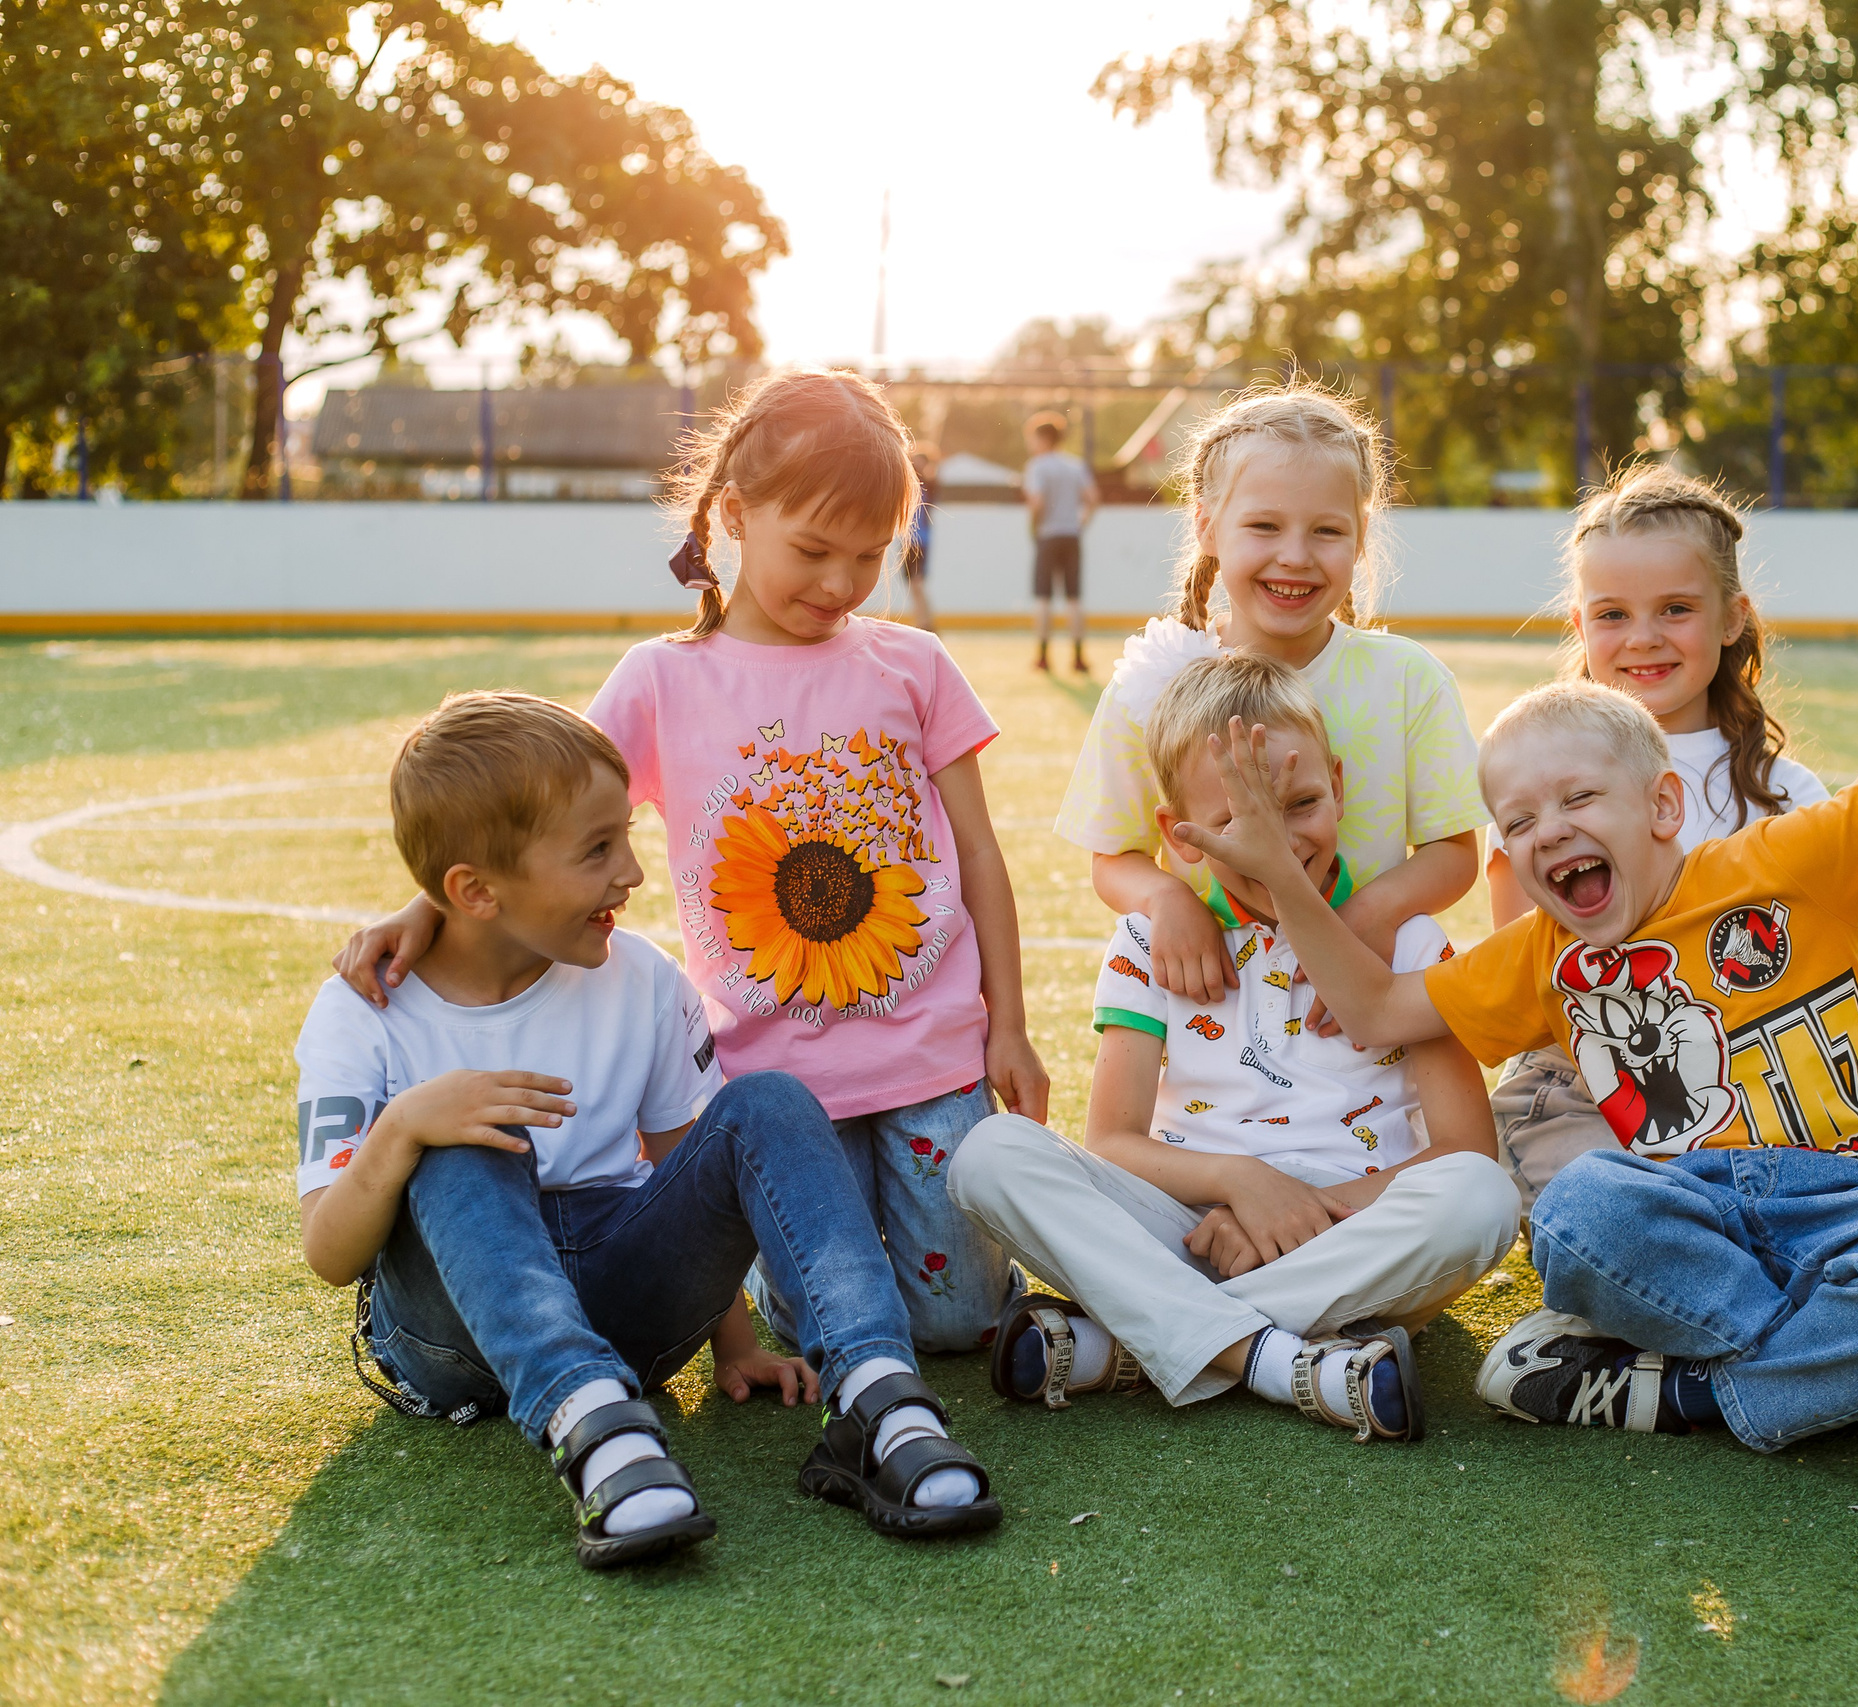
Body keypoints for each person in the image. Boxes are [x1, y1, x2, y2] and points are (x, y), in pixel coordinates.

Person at [1169, 679, 1858, 1452]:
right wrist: (1283, 876)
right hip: (1680, 1206)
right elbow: (1373, 1009)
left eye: (1577, 799)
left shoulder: (1777, 861)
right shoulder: (1536, 953)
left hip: (1856, 1193)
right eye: (1518, 821)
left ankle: (1681, 1393)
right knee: (1576, 1217)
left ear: (1660, 806)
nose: (1547, 831)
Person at [333, 369, 1043, 1359]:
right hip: (779, 1086)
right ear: (735, 516)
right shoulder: (662, 679)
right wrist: (426, 910)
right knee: (814, 1323)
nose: (839, 584)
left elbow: (976, 852)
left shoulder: (915, 666)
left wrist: (1007, 1025)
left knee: (960, 1320)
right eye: (812, 550)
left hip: (933, 1054)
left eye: (869, 557)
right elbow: (532, 823)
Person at [293, 692, 999, 1570]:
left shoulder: (642, 979)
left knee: (769, 1099)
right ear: (473, 892)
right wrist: (404, 1127)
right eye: (596, 851)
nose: (632, 871)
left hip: (622, 1296)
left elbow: (689, 1171)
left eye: (623, 835)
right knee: (455, 1133)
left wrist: (736, 1344)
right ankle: (598, 1435)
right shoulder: (364, 1008)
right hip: (451, 1336)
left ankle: (878, 1398)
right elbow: (328, 1251)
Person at [948, 654, 1517, 1440]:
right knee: (990, 1153)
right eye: (1236, 824)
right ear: (1175, 836)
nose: (1274, 847)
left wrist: (1297, 1212)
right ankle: (1286, 1362)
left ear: (1342, 786)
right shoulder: (1151, 938)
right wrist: (1238, 1183)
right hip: (1186, 1224)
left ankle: (1135, 1342)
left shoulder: (1408, 941)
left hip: (1351, 1229)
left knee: (1480, 1200)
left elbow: (1465, 1149)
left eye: (1302, 803)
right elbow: (1111, 1140)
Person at [1485, 464, 1858, 1213]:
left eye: (1675, 608)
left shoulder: (1779, 789)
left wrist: (1754, 940)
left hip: (1749, 1073)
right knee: (1610, 1210)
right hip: (1584, 1084)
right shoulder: (1536, 776)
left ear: (1732, 617)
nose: (1642, 638)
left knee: (1815, 1207)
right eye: (1611, 614)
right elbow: (1523, 957)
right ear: (1578, 624)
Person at [1054, 383, 1486, 1046]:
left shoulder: (1408, 679)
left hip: (1361, 1010)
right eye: (1264, 526)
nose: (1295, 555)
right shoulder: (1150, 682)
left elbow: (1454, 852)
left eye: (1327, 530)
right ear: (1206, 525)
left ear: (1361, 536)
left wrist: (1363, 919)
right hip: (1218, 1019)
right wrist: (1166, 899)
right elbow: (1114, 855)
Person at [1023, 411, 1097, 674]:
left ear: (1043, 438)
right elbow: (1092, 499)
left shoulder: (1037, 466)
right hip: (1071, 536)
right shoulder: (1075, 466)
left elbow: (1037, 503)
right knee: (1074, 598)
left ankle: (1043, 657)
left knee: (1043, 598)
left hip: (1047, 536)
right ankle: (1078, 658)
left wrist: (1034, 526)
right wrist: (1080, 523)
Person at [899, 441, 938, 634]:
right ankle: (922, 622)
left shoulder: (929, 488)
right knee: (913, 586)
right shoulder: (907, 486)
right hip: (908, 541)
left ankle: (926, 623)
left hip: (920, 542)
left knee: (917, 584)